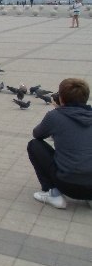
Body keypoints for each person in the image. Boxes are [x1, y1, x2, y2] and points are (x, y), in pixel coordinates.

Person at [27, 78, 92, 209]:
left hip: (66, 184)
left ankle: (54, 194)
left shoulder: (55, 116)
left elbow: (37, 134)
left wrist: (59, 113)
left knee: (34, 145)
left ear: (61, 98)